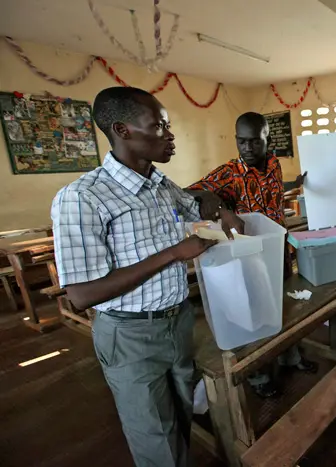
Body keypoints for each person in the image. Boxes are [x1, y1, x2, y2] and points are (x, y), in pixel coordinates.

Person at [51, 87, 243, 467]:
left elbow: (195, 200)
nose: (170, 135)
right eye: (158, 126)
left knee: (180, 420)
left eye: (168, 126)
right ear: (122, 130)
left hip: (177, 323)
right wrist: (173, 253)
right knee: (157, 440)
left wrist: (218, 205)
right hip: (131, 335)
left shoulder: (159, 185)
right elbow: (81, 294)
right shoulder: (82, 198)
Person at [187, 111, 315, 398]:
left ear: (267, 138)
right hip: (247, 259)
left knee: (279, 308)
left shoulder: (274, 164)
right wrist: (217, 204)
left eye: (254, 142)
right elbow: (186, 193)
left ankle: (289, 356)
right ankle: (257, 376)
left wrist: (293, 185)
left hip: (276, 252)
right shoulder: (230, 173)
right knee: (251, 314)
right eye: (241, 141)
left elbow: (273, 192)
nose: (247, 148)